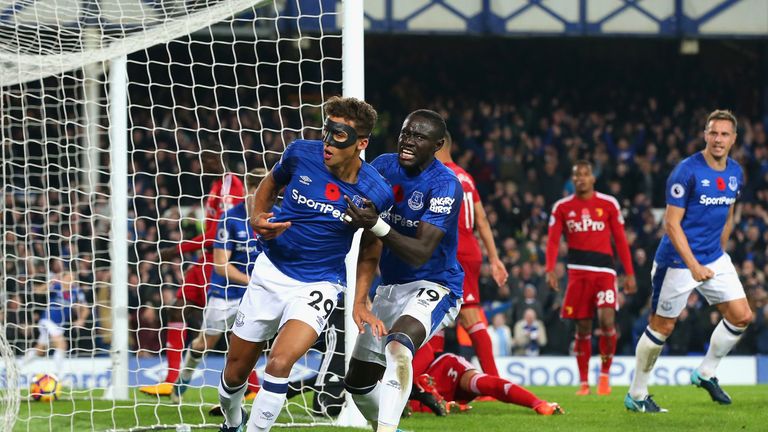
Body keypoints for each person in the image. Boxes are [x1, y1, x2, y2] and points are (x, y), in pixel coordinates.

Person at [216, 96, 393, 432]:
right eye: (326, 131)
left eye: (339, 136)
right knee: (235, 371)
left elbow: (371, 246)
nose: (327, 142)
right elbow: (270, 183)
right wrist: (257, 217)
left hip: (319, 283)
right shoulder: (300, 153)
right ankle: (232, 421)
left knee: (280, 362)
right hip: (271, 271)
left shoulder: (376, 191)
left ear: (362, 144)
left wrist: (359, 300)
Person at [342, 109, 464, 432]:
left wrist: (378, 224)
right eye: (405, 133)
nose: (408, 141)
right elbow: (370, 239)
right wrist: (360, 298)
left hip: (435, 284)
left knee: (398, 346)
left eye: (419, 136)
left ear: (437, 144)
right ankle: (394, 424)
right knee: (358, 384)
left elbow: (420, 252)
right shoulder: (382, 167)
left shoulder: (446, 185)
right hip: (390, 287)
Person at [625, 110, 752, 413]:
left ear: (733, 139)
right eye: (713, 133)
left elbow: (729, 213)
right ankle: (637, 394)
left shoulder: (735, 172)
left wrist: (721, 250)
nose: (718, 139)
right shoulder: (686, 171)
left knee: (742, 316)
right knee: (661, 328)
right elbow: (671, 224)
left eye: (724, 134)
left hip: (713, 258)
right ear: (705, 135)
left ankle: (705, 373)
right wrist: (693, 265)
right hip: (678, 262)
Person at [140, 142, 245, 397]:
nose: (203, 164)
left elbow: (219, 233)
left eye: (208, 159)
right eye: (203, 160)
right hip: (203, 260)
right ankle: (171, 379)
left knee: (230, 327)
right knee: (178, 310)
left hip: (218, 260)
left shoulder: (232, 186)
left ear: (221, 159)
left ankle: (250, 385)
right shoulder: (216, 186)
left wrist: (178, 249)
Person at [171, 168, 268, 403]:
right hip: (226, 292)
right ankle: (183, 378)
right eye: (259, 190)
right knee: (205, 342)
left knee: (251, 345)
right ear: (248, 190)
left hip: (257, 293)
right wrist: (254, 280)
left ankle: (240, 395)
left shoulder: (273, 216)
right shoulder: (231, 218)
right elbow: (221, 266)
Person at [545, 160, 636, 396]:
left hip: (605, 273)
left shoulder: (608, 204)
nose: (581, 178)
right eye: (577, 175)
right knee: (582, 329)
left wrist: (630, 273)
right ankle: (584, 382)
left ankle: (604, 375)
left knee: (607, 321)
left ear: (593, 178)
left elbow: (621, 240)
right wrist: (550, 269)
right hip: (577, 273)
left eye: (585, 174)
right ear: (573, 179)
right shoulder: (562, 207)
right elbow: (553, 240)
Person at [433, 130, 509, 376]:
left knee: (445, 314)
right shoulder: (466, 176)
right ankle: (432, 380)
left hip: (452, 251)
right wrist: (495, 259)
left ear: (440, 144)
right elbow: (483, 220)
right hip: (470, 251)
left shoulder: (439, 174)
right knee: (447, 313)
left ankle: (492, 381)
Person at [409, 338, 563, 416]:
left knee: (482, 384)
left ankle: (433, 399)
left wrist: (536, 403)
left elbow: (493, 386)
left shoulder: (449, 365)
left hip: (434, 364)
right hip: (419, 369)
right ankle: (433, 400)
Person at [24, 271, 89, 370]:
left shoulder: (76, 291)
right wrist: (51, 282)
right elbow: (38, 291)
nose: (71, 280)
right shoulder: (56, 287)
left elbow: (86, 308)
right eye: (68, 278)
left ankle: (20, 366)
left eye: (73, 278)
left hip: (59, 324)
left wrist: (81, 319)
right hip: (48, 320)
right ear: (62, 279)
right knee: (62, 345)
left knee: (40, 349)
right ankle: (59, 374)